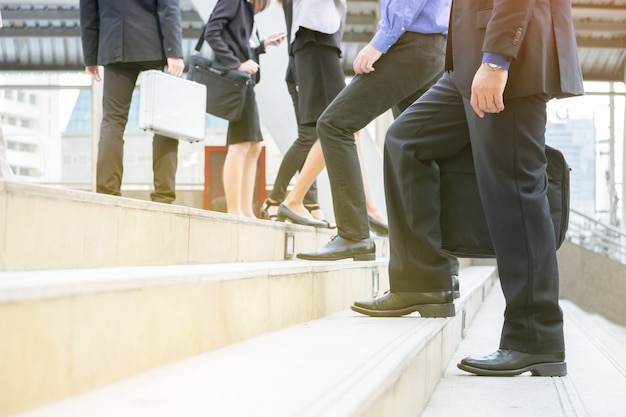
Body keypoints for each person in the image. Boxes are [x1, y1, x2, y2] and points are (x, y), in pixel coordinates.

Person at [351, 0, 584, 378]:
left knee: (514, 191)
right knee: (406, 141)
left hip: (508, 61)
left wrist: (496, 60)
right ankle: (423, 281)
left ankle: (536, 340)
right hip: (468, 63)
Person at [296, 0, 453, 264]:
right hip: (434, 49)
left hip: (410, 45)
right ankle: (438, 265)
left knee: (334, 124)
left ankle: (354, 235)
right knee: (416, 151)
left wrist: (380, 42)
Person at [79, 0, 185, 203]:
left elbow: (88, 12)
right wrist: (174, 52)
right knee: (165, 122)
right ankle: (163, 196)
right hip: (155, 44)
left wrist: (90, 56)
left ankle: (107, 194)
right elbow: (168, 6)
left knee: (113, 121)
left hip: (116, 44)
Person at [205, 0, 285, 218]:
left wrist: (263, 45)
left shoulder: (246, 10)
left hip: (245, 83)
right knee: (241, 144)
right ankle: (235, 209)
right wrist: (235, 63)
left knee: (253, 146)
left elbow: (241, 44)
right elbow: (212, 32)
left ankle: (245, 208)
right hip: (236, 80)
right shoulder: (234, 2)